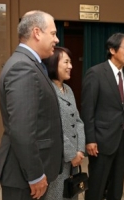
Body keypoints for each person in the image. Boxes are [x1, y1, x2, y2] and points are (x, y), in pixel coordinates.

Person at [0, 10, 63, 200]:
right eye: (53, 33)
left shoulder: (29, 63)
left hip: (26, 170)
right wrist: (35, 174)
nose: (56, 39)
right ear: (36, 32)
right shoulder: (23, 67)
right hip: (23, 175)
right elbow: (22, 129)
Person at [81, 32, 124, 200]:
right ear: (112, 49)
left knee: (117, 186)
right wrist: (90, 139)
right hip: (102, 141)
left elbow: (123, 109)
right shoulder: (95, 73)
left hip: (123, 140)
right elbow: (88, 109)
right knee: (97, 186)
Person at [42, 46, 86, 200]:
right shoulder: (47, 90)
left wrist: (80, 150)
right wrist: (71, 154)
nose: (71, 66)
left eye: (71, 62)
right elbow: (53, 129)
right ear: (53, 63)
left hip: (73, 160)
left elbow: (78, 122)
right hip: (57, 161)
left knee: (70, 194)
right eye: (66, 62)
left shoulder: (68, 89)